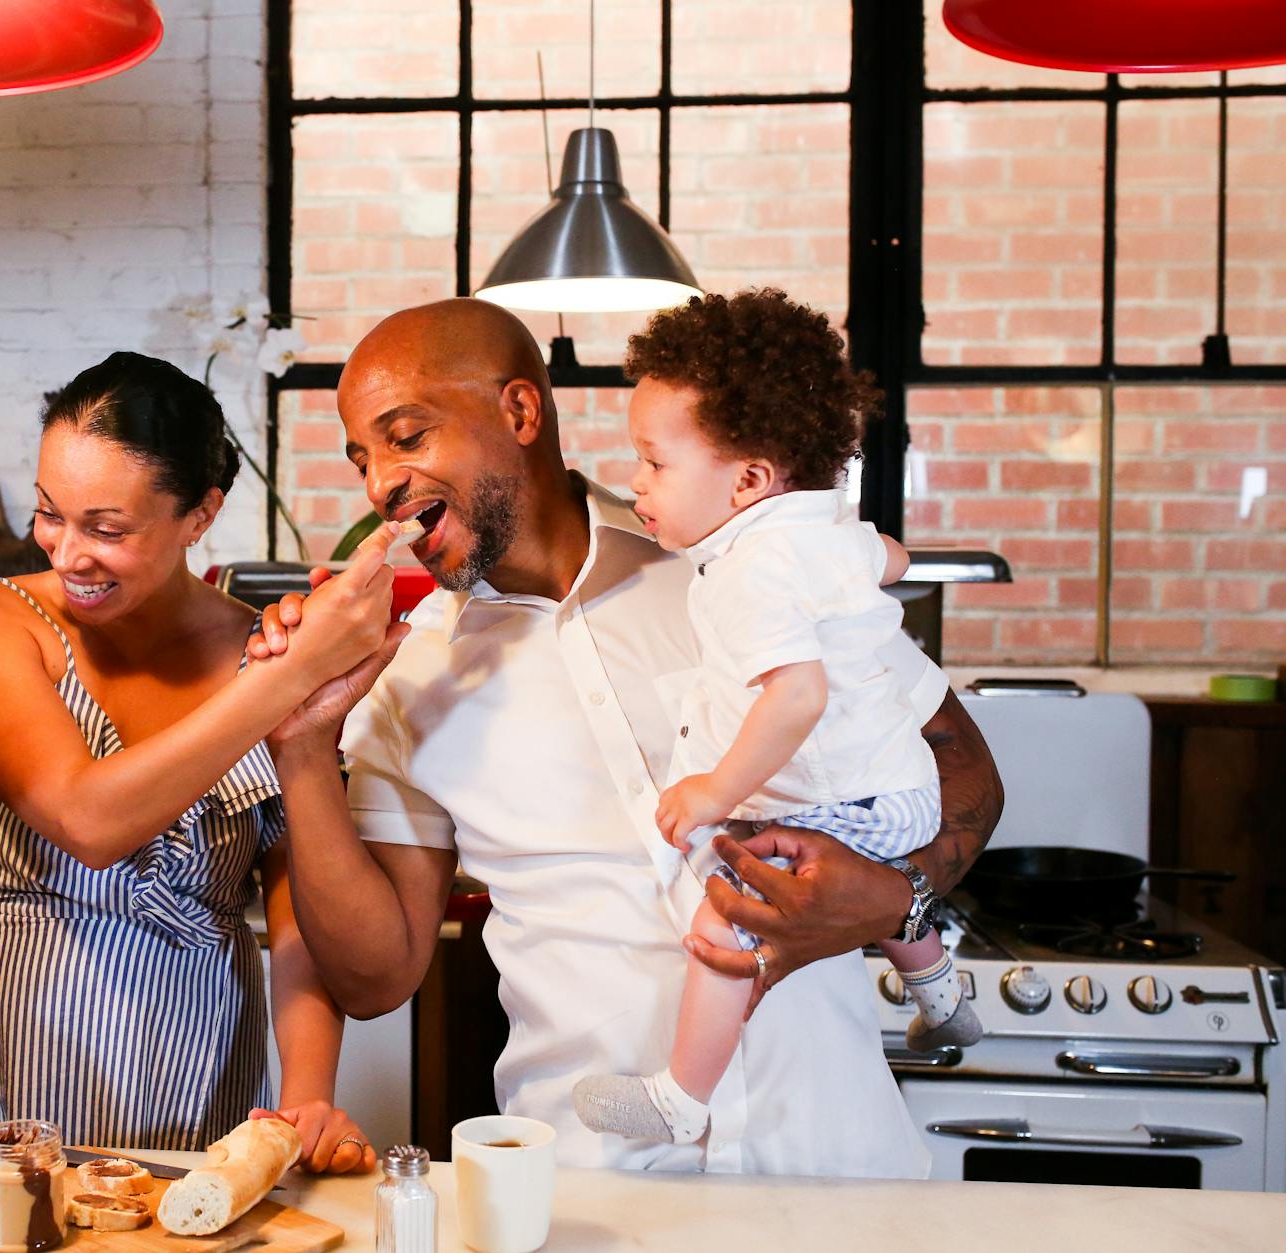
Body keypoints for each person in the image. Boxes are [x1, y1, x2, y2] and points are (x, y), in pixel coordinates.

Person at [249, 298, 1003, 1175]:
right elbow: (375, 980)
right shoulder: (411, 680)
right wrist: (303, 745)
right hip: (592, 1185)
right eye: (362, 460)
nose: (380, 483)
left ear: (520, 412)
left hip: (840, 1164)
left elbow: (965, 770)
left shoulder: (731, 560)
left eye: (406, 437)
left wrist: (893, 897)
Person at [0, 351, 403, 1172]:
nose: (68, 552)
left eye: (106, 528)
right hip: (19, 1031)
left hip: (202, 1051)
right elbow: (88, 819)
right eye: (51, 514)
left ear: (199, 514)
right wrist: (289, 676)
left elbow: (296, 917)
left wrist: (308, 1090)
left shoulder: (259, 646)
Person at [571, 289, 982, 1149]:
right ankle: (941, 989)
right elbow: (892, 558)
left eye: (654, 463)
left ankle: (683, 1094)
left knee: (725, 908)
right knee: (832, 874)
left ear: (749, 478)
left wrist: (715, 787)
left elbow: (796, 694)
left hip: (851, 799)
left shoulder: (753, 570)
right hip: (900, 793)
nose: (636, 483)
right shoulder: (824, 526)